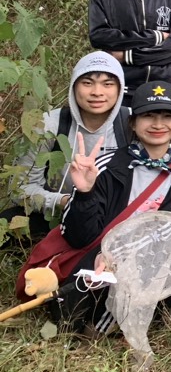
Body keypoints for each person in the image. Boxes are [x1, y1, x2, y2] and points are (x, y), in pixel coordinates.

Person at [42, 82, 171, 335]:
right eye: (149, 115)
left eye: (168, 116)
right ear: (133, 123)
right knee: (68, 320)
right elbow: (77, 235)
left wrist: (117, 253)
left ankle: (120, 322)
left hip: (145, 256)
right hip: (97, 253)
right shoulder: (105, 164)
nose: (158, 124)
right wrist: (84, 192)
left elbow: (166, 228)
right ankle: (92, 318)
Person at [11, 52, 128, 240]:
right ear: (74, 86)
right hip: (55, 213)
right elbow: (20, 189)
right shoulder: (47, 125)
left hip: (117, 220)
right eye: (87, 83)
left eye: (108, 84)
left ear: (120, 88)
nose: (97, 92)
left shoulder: (132, 124)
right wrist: (65, 202)